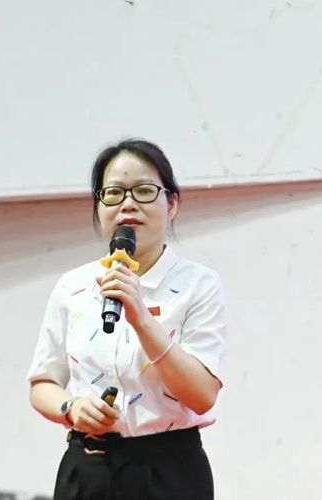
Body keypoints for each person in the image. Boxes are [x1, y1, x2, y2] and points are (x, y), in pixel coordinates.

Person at [27, 138, 228, 500]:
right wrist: (71, 408)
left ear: (172, 204)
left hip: (168, 471)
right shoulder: (73, 286)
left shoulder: (198, 284)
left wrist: (141, 318)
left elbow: (202, 395)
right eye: (114, 193)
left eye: (145, 191)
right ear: (98, 206)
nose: (128, 204)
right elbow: (42, 383)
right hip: (88, 467)